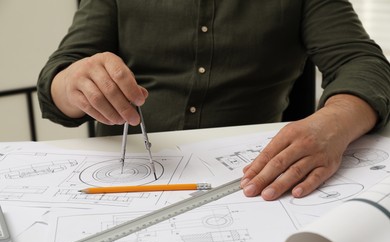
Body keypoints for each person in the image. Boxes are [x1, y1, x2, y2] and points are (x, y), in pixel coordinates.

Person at [37, 0, 390, 201]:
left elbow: (363, 63)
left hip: (251, 184)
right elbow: (58, 78)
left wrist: (338, 120)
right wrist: (73, 82)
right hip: (126, 182)